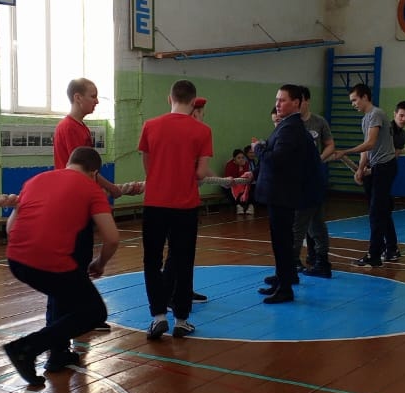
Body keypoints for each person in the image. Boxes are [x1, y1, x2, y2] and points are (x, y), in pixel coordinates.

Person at [1, 147, 118, 386]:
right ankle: (26, 347)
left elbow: (10, 228)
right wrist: (100, 263)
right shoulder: (91, 188)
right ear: (94, 173)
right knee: (94, 312)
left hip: (16, 260)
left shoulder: (36, 180)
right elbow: (112, 238)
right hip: (48, 262)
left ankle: (58, 355)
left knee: (61, 292)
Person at [42, 78, 123, 370]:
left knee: (74, 271)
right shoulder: (70, 129)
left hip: (75, 206)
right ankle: (56, 348)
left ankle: (77, 321)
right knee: (66, 276)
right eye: (92, 96)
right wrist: (110, 188)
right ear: (77, 97)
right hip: (71, 209)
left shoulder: (80, 128)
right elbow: (85, 170)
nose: (96, 101)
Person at [139, 80, 214, 339]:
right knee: (183, 260)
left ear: (169, 98)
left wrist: (161, 177)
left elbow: (147, 165)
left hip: (154, 203)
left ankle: (158, 317)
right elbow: (201, 173)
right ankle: (181, 320)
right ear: (193, 102)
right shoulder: (203, 130)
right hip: (185, 206)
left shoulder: (150, 125)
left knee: (152, 260)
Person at [255, 84, 324, 304]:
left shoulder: (291, 128)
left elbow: (277, 160)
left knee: (282, 240)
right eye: (277, 100)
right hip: (282, 193)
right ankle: (283, 278)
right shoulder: (287, 126)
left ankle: (285, 286)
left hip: (283, 194)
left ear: (296, 103)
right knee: (281, 240)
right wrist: (255, 172)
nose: (278, 104)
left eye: (282, 100)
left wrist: (257, 149)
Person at [330, 83, 398, 267]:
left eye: (355, 100)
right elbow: (366, 149)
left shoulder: (376, 114)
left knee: (376, 211)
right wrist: (360, 168)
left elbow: (370, 143)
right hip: (376, 167)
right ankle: (391, 248)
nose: (353, 104)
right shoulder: (365, 119)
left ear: (365, 97)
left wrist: (345, 152)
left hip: (385, 167)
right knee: (381, 210)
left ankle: (374, 254)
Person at [293, 86, 335, 278]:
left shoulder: (319, 122)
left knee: (309, 223)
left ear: (306, 101)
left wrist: (318, 159)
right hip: (297, 179)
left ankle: (318, 261)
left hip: (313, 180)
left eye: (299, 101)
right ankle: (311, 261)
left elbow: (330, 144)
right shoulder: (290, 123)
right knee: (306, 223)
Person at [225, 149, 252, 214]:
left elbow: (246, 177)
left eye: (242, 157)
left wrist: (241, 169)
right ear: (234, 158)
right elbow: (228, 178)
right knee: (228, 189)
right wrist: (239, 169)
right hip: (232, 184)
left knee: (251, 187)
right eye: (239, 158)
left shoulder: (246, 164)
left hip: (242, 184)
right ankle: (238, 206)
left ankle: (250, 206)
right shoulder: (229, 165)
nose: (241, 159)